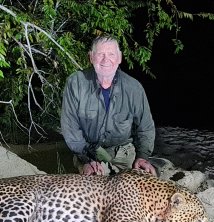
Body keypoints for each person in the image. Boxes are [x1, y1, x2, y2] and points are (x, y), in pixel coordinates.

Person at [61, 34, 157, 176]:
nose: (106, 60)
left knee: (144, 184)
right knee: (93, 185)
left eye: (111, 54)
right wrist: (86, 159)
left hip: (124, 154)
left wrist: (142, 157)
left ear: (119, 58)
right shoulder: (75, 83)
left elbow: (146, 128)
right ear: (91, 57)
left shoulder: (134, 87)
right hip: (88, 152)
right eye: (100, 54)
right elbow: (70, 129)